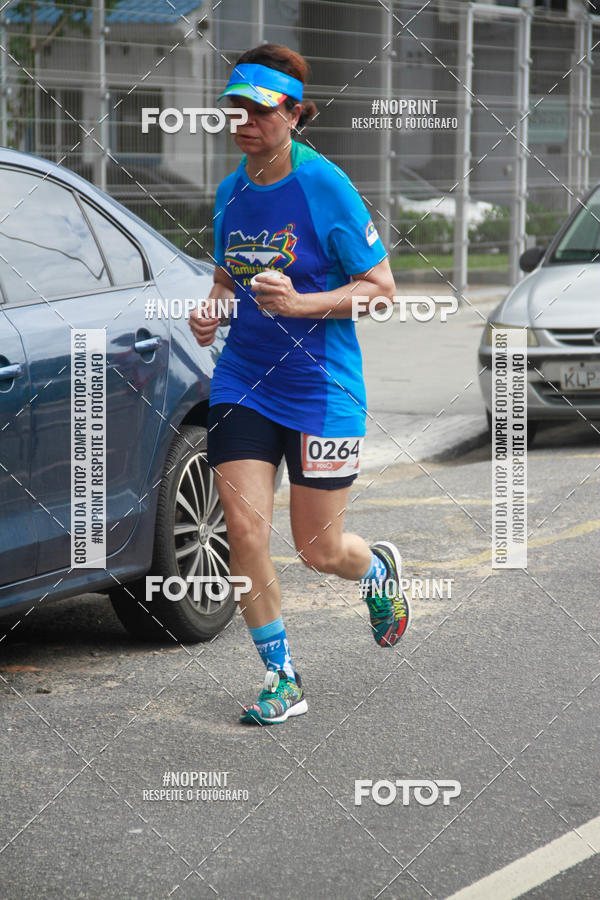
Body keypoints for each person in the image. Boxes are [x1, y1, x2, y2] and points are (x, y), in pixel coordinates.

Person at [189, 43, 410, 726]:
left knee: (318, 550)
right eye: (237, 109)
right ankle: (281, 674)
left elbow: (382, 291)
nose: (243, 122)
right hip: (244, 381)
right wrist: (211, 308)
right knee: (244, 531)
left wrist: (304, 304)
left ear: (293, 114)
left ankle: (373, 568)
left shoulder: (326, 187)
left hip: (323, 390)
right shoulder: (232, 191)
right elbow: (229, 277)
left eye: (258, 111)